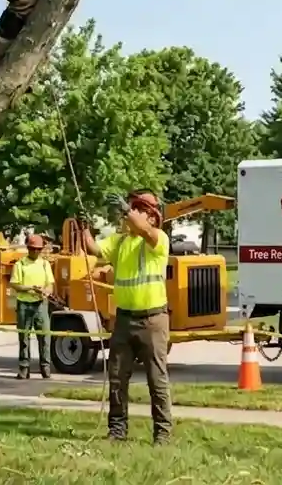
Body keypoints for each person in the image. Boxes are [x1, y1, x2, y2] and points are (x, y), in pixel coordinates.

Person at [82, 190, 172, 444]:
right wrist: (84, 228)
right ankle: (117, 431)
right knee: (117, 378)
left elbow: (143, 229)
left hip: (152, 320)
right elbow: (93, 248)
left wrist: (126, 211)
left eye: (138, 209)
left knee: (157, 380)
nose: (130, 213)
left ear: (152, 218)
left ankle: (162, 434)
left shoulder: (157, 240)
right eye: (131, 208)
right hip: (124, 319)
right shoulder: (120, 241)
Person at [12, 233, 55, 379]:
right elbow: (15, 284)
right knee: (24, 337)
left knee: (44, 336)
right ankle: (24, 368)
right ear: (28, 248)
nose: (36, 252)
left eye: (38, 249)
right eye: (33, 249)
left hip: (40, 304)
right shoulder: (20, 264)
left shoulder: (45, 264)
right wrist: (30, 288)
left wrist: (46, 291)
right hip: (24, 304)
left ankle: (45, 367)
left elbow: (50, 284)